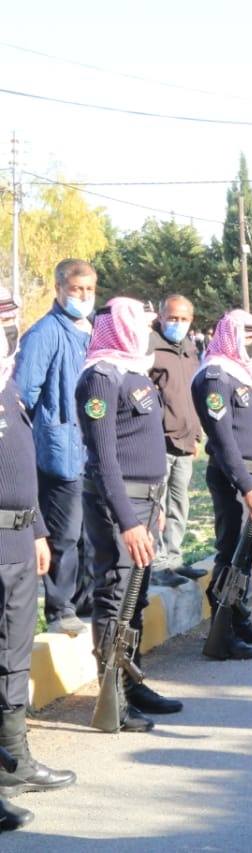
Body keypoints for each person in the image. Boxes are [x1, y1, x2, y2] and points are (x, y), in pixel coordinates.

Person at [76, 298, 183, 730]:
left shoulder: (134, 370)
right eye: (140, 322)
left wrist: (156, 507)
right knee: (116, 594)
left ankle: (131, 683)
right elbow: (103, 459)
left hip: (146, 502)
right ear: (120, 327)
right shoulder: (100, 378)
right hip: (119, 503)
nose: (147, 329)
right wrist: (128, 521)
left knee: (134, 597)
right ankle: (112, 698)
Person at [0, 290, 73, 832]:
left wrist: (40, 530)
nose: (9, 327)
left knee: (13, 656)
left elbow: (22, 466)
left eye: (10, 316)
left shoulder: (7, 385)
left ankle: (14, 762)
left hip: (21, 542)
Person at [14, 259, 95, 636]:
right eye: (76, 289)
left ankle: (83, 599)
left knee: (87, 533)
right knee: (64, 534)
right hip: (58, 451)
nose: (83, 296)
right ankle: (61, 608)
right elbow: (23, 398)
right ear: (59, 289)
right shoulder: (45, 333)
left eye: (89, 289)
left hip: (88, 450)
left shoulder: (90, 332)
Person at [192, 310, 252, 660]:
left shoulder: (240, 376)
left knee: (248, 551)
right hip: (234, 479)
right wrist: (246, 486)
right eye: (246, 335)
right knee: (231, 552)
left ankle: (238, 618)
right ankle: (221, 631)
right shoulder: (215, 377)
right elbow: (224, 440)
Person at [148, 295, 205, 583]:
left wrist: (196, 434)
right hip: (159, 440)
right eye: (172, 318)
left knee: (178, 504)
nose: (177, 324)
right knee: (156, 505)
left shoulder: (190, 348)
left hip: (185, 441)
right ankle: (158, 565)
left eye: (183, 319)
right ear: (160, 316)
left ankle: (174, 557)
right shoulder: (150, 347)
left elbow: (193, 393)